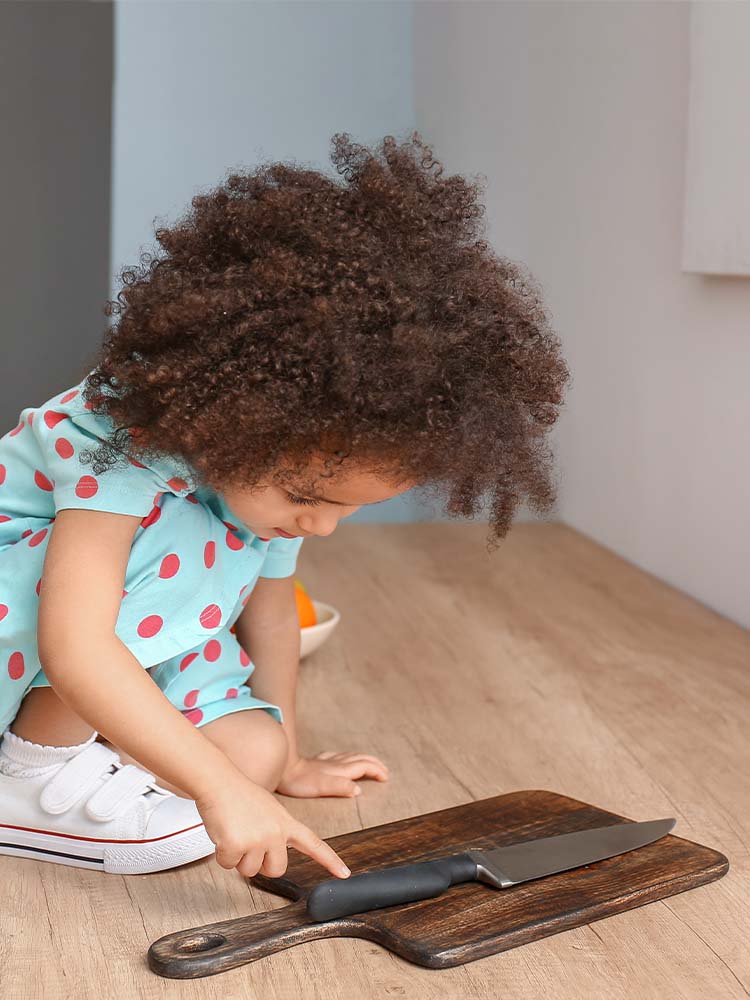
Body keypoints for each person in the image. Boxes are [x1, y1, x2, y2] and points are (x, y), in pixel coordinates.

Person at [0, 131, 570, 879]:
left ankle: (106, 742)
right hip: (43, 621)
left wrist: (285, 760)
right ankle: (31, 771)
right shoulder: (124, 434)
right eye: (307, 497)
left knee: (255, 754)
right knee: (160, 578)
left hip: (154, 641)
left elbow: (269, 611)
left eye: (346, 509)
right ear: (234, 420)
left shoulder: (276, 479)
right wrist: (214, 787)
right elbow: (75, 642)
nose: (321, 523)